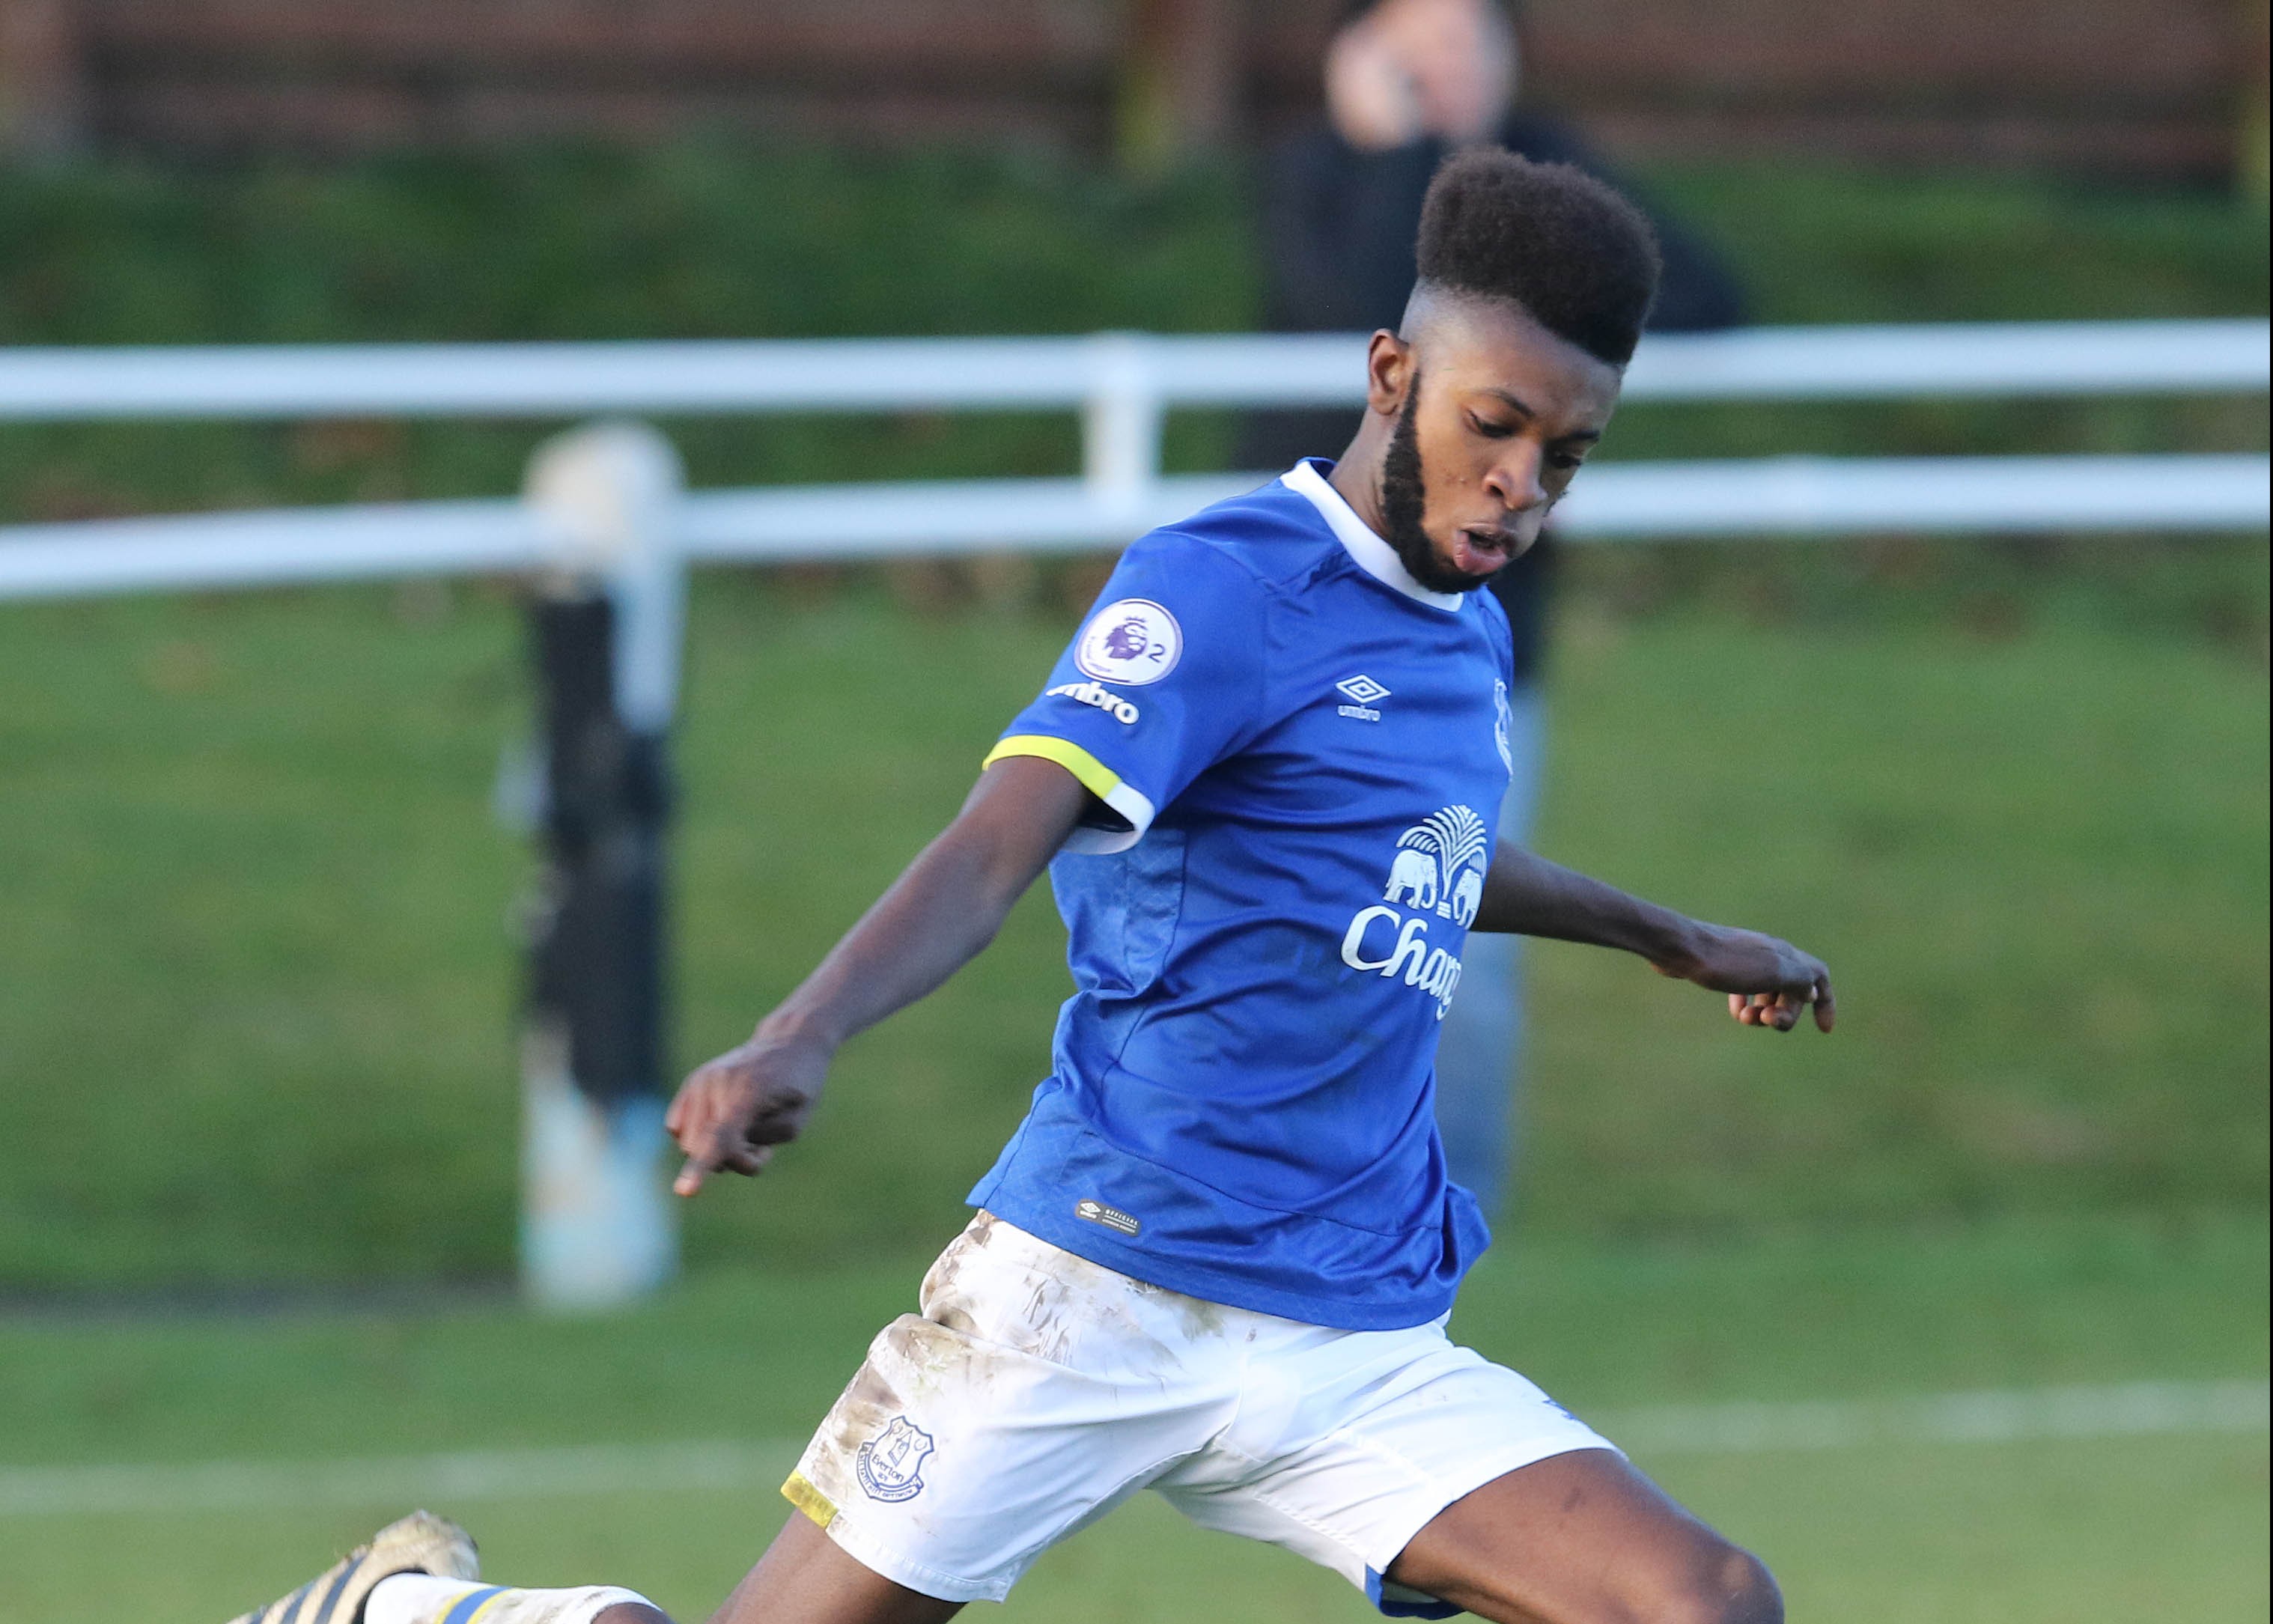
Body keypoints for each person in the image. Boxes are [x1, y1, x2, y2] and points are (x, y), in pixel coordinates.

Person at [228, 151, 1830, 1624]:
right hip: (1097, 1284)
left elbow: (1413, 855)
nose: (1521, 485)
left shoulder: (1464, 637)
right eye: (1495, 425)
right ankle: (411, 1611)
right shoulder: (1221, 588)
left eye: (1566, 455)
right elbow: (996, 840)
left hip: (1345, 1326)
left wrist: (1674, 937)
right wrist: (803, 1032)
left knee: (1704, 1605)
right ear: (1391, 375)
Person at [1244, 0, 1750, 1216]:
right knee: (1279, 934)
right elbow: (1357, 318)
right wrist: (1397, 155)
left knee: (1456, 946)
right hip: (1301, 636)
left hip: (1477, 640)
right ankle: (1264, 1202)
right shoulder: (1319, 174)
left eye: (1472, 42)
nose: (1452, 70)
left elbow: (1712, 293)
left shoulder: (1549, 181)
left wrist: (1550, 425)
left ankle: (1444, 1221)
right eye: (1419, 48)